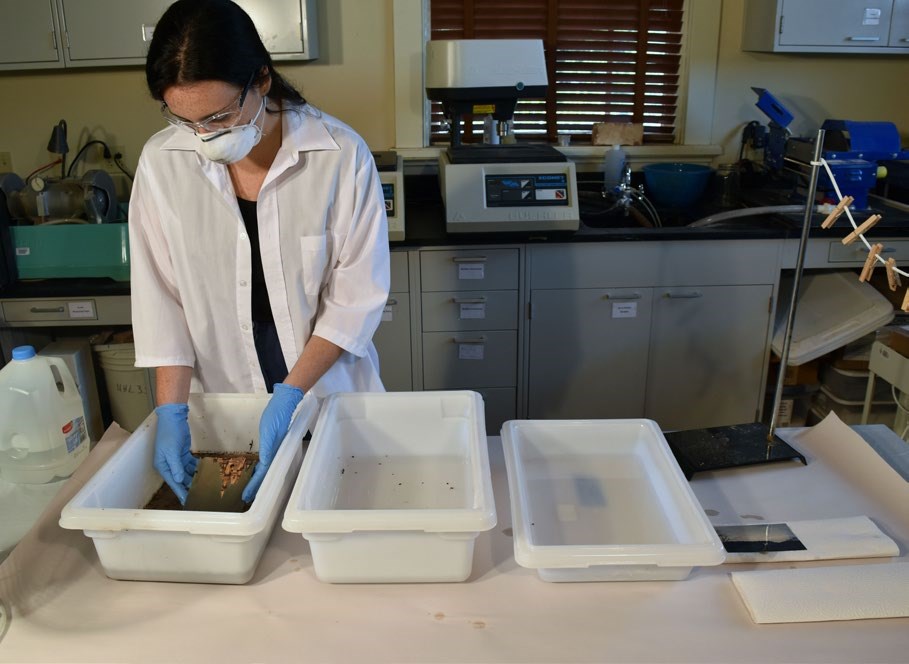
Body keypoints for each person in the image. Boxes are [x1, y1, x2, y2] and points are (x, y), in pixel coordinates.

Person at [129, 0, 390, 505]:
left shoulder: (340, 155)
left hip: (322, 384)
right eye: (186, 121)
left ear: (262, 81)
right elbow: (163, 301)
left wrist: (290, 394)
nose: (205, 136)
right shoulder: (162, 165)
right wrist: (172, 412)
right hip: (223, 400)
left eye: (219, 115)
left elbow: (354, 301)